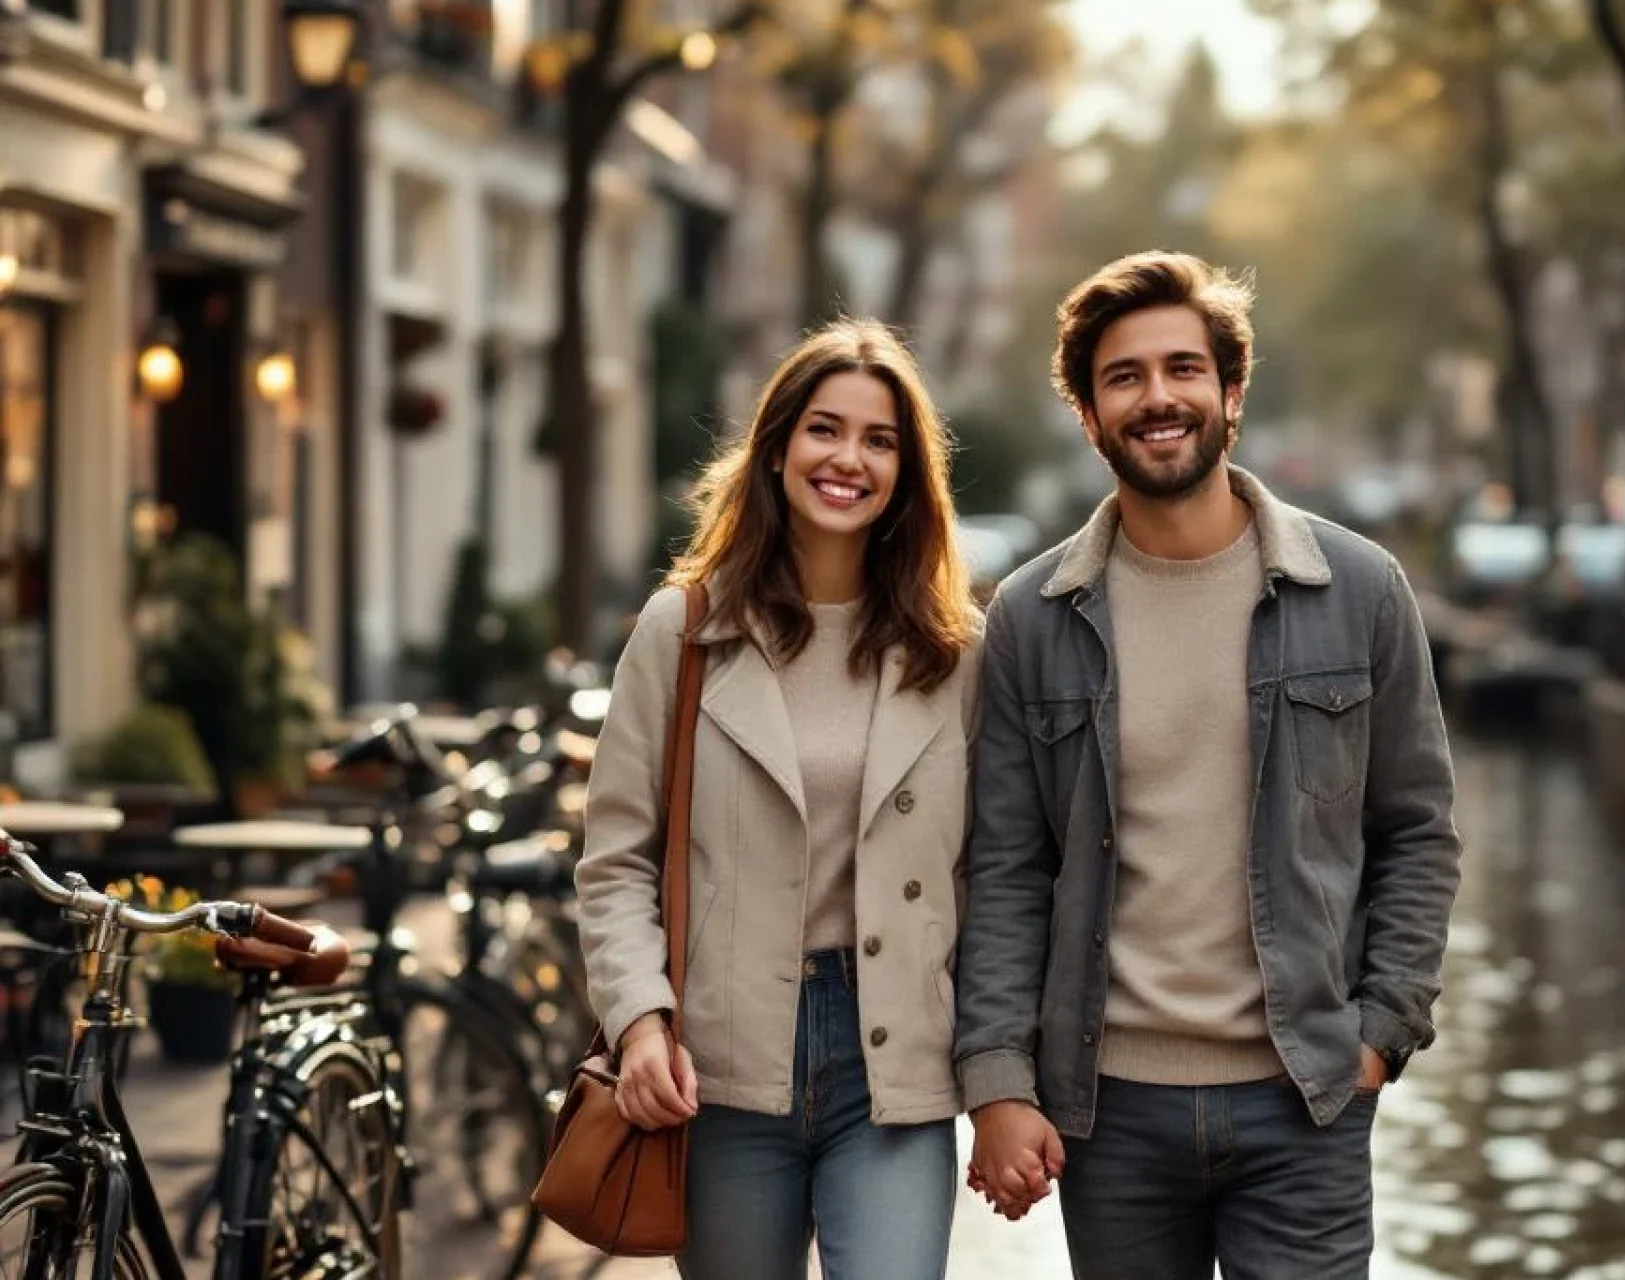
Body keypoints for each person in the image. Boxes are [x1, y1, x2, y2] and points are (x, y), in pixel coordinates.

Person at [956, 252, 1462, 1279]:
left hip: (1306, 1094)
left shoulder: (1359, 589)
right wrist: (999, 1082)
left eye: (1183, 368)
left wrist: (1380, 1031)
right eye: (1124, 376)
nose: (1158, 396)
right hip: (1111, 1108)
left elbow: (1416, 829)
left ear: (1231, 392)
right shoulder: (1030, 619)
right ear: (1090, 416)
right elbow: (1005, 867)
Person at [576, 319, 982, 1280]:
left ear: (908, 474)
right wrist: (640, 1019)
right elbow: (617, 861)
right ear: (776, 448)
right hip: (719, 1068)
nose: (849, 459)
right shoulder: (683, 632)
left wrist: (1002, 1069)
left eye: (880, 440)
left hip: (895, 1067)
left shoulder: (957, 653)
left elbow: (995, 869)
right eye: (824, 429)